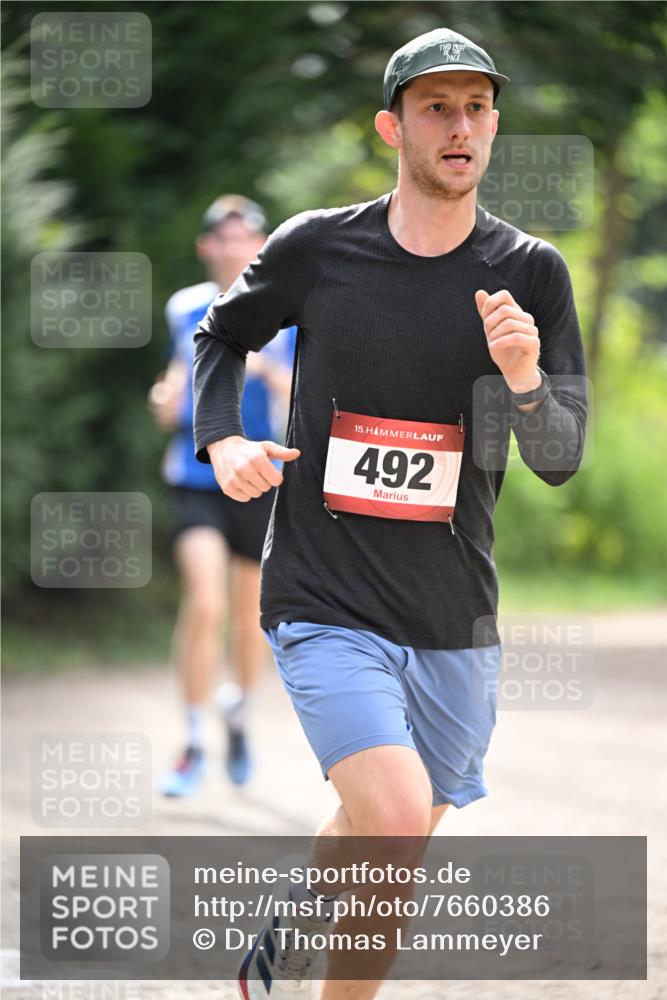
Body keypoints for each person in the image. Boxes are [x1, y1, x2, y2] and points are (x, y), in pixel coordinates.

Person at [193, 27, 587, 1000]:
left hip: (453, 611)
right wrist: (223, 440)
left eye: (477, 108)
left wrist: (526, 380)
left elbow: (559, 458)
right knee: (398, 820)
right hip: (322, 594)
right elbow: (220, 334)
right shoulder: (318, 249)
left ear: (494, 125)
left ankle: (281, 941)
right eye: (436, 108)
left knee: (387, 831)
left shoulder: (532, 273)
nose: (461, 127)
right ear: (391, 126)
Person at [149, 194, 296, 797]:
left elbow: (298, 401)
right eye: (224, 239)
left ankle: (237, 716)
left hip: (260, 477)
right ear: (207, 247)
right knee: (205, 605)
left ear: (261, 247)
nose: (235, 248)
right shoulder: (185, 309)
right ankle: (189, 741)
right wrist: (163, 401)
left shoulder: (286, 311)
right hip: (196, 474)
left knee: (247, 620)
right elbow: (169, 398)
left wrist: (262, 367)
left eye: (247, 238)